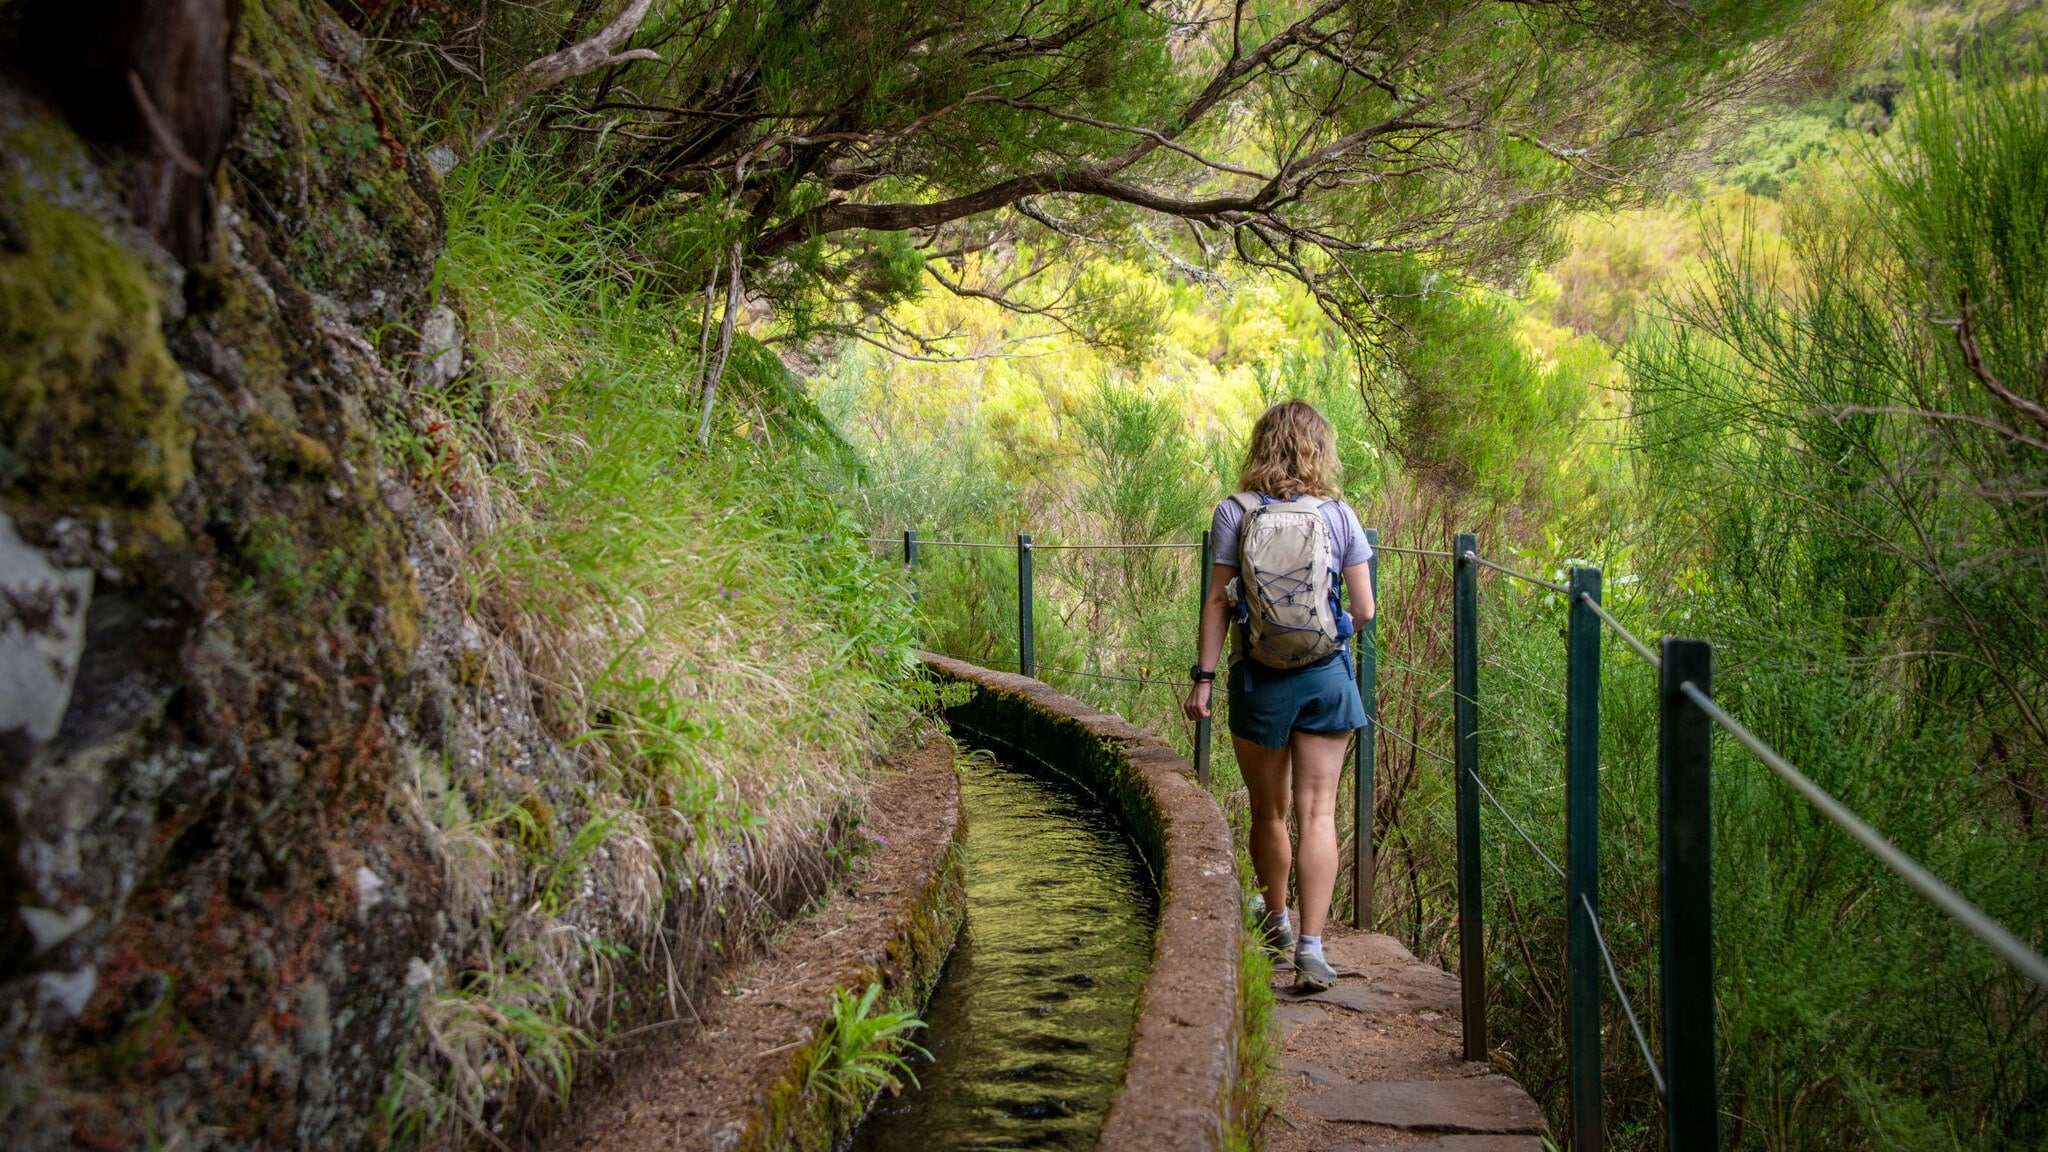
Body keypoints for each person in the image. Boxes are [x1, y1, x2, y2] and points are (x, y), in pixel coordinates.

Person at [1182, 400, 1374, 993]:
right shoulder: (1339, 515)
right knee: (1319, 813)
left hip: (1258, 680)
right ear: (1321, 450)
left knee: (1269, 811)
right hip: (1326, 679)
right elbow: (1365, 610)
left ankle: (1277, 921)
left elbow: (1217, 603)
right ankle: (1312, 951)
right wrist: (1327, 632)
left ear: (1260, 445)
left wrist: (1203, 678)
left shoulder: (1234, 512)